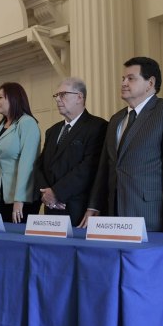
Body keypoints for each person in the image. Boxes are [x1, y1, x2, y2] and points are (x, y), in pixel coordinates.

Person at [80, 57, 163, 233]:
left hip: (151, 214)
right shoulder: (116, 119)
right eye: (123, 79)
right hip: (114, 212)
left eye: (131, 78)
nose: (124, 83)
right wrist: (94, 205)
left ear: (150, 83)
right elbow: (105, 167)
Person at [35, 78, 108, 226]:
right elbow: (40, 165)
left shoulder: (98, 126)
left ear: (79, 97)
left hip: (78, 210)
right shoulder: (52, 131)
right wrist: (46, 194)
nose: (58, 100)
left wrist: (56, 193)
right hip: (51, 208)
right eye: (56, 96)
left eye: (63, 94)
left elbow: (88, 168)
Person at [0, 82, 41, 223]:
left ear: (13, 99)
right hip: (2, 196)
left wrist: (20, 199)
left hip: (23, 199)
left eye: (1, 97)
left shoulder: (27, 123)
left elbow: (28, 164)